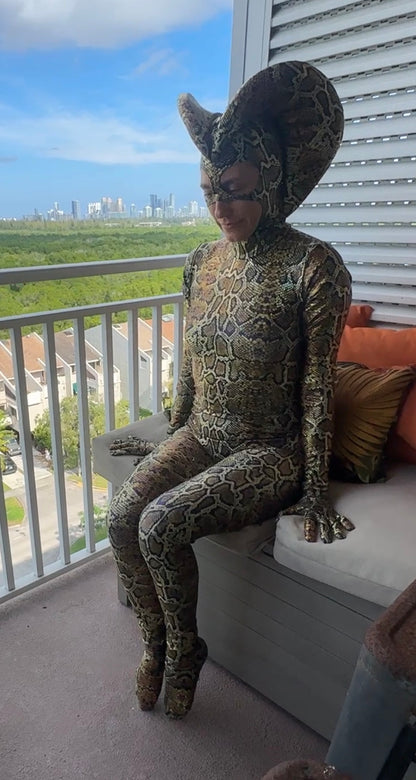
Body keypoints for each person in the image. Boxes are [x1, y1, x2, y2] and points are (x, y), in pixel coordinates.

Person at [107, 60, 354, 721]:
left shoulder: (312, 265)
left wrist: (311, 488)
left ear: (270, 180)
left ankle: (187, 648)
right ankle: (155, 639)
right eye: (210, 191)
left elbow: (317, 385)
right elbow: (192, 357)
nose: (221, 208)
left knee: (161, 524)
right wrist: (170, 424)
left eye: (237, 190)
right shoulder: (200, 261)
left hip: (267, 450)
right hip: (204, 433)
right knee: (122, 513)